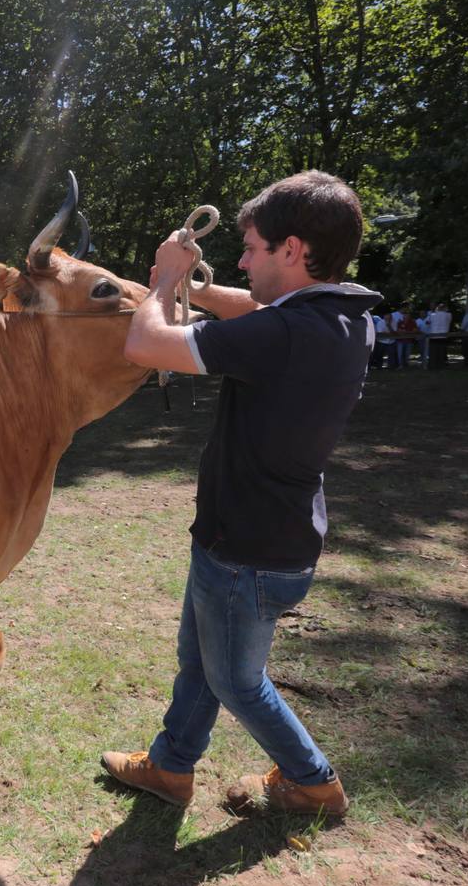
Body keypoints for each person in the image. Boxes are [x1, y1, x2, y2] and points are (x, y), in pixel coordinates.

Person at [113, 170, 377, 817]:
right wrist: (202, 289)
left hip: (247, 549)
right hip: (261, 536)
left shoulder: (285, 336)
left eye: (253, 247)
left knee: (235, 679)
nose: (241, 258)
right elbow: (257, 311)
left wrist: (169, 281)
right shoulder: (337, 319)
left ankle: (313, 782)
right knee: (201, 663)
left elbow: (145, 344)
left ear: (292, 250)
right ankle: (171, 767)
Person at [427, 302, 453, 368]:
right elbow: (449, 321)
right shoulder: (448, 315)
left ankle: (432, 365)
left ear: (437, 308)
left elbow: (427, 322)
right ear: (445, 308)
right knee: (442, 352)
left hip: (434, 335)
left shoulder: (432, 315)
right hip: (444, 335)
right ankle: (441, 365)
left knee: (433, 352)